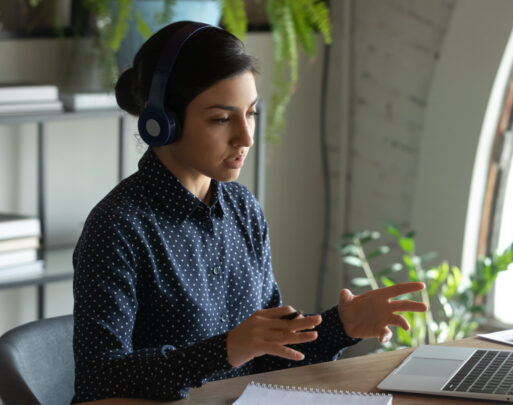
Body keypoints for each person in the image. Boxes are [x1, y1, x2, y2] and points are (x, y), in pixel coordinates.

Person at [71, 20, 427, 403]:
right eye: (222, 119)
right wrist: (225, 349)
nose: (246, 137)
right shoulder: (118, 226)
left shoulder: (242, 208)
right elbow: (98, 378)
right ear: (163, 123)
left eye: (252, 113)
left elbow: (268, 354)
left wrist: (343, 326)